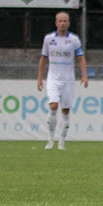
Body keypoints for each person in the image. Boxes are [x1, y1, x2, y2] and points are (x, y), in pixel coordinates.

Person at [37, 11, 88, 150]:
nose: (63, 23)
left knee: (65, 111)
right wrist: (40, 78)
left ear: (69, 23)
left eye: (65, 21)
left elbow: (80, 58)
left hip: (68, 79)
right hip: (53, 78)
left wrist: (84, 75)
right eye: (60, 21)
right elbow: (43, 58)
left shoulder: (74, 39)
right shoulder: (48, 39)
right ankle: (50, 139)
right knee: (53, 106)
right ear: (56, 23)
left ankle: (62, 141)